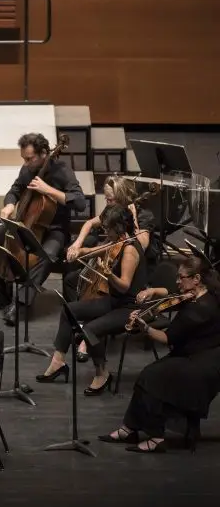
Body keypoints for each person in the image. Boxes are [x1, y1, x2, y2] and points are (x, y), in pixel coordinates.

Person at [100, 256, 220, 453]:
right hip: (195, 354)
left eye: (181, 278)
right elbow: (172, 296)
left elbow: (167, 337)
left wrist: (144, 327)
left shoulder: (199, 310)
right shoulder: (204, 293)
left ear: (196, 279)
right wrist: (153, 295)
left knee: (152, 377)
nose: (177, 281)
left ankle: (156, 437)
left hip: (203, 363)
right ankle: (129, 429)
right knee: (150, 375)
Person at [37, 205, 149, 394]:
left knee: (91, 329)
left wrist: (107, 274)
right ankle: (58, 363)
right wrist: (79, 252)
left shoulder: (130, 249)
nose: (104, 231)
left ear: (119, 228)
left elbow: (124, 285)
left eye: (107, 228)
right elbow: (97, 250)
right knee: (68, 310)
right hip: (115, 301)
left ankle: (102, 373)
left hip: (129, 308)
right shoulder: (120, 241)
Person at [0, 133, 86, 325]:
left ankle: (20, 304)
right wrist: (10, 204)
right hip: (25, 223)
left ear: (44, 153)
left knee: (47, 254)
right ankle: (2, 293)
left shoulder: (62, 170)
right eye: (24, 159)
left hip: (54, 229)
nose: (26, 163)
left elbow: (79, 202)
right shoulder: (27, 169)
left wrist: (48, 190)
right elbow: (15, 190)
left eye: (29, 158)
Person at [64, 175, 159, 301]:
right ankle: (79, 310)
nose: (107, 203)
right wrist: (77, 244)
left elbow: (141, 244)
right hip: (113, 258)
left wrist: (134, 216)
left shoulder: (143, 214)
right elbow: (90, 223)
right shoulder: (114, 209)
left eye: (110, 200)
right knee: (71, 280)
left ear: (122, 198)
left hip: (134, 266)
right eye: (106, 199)